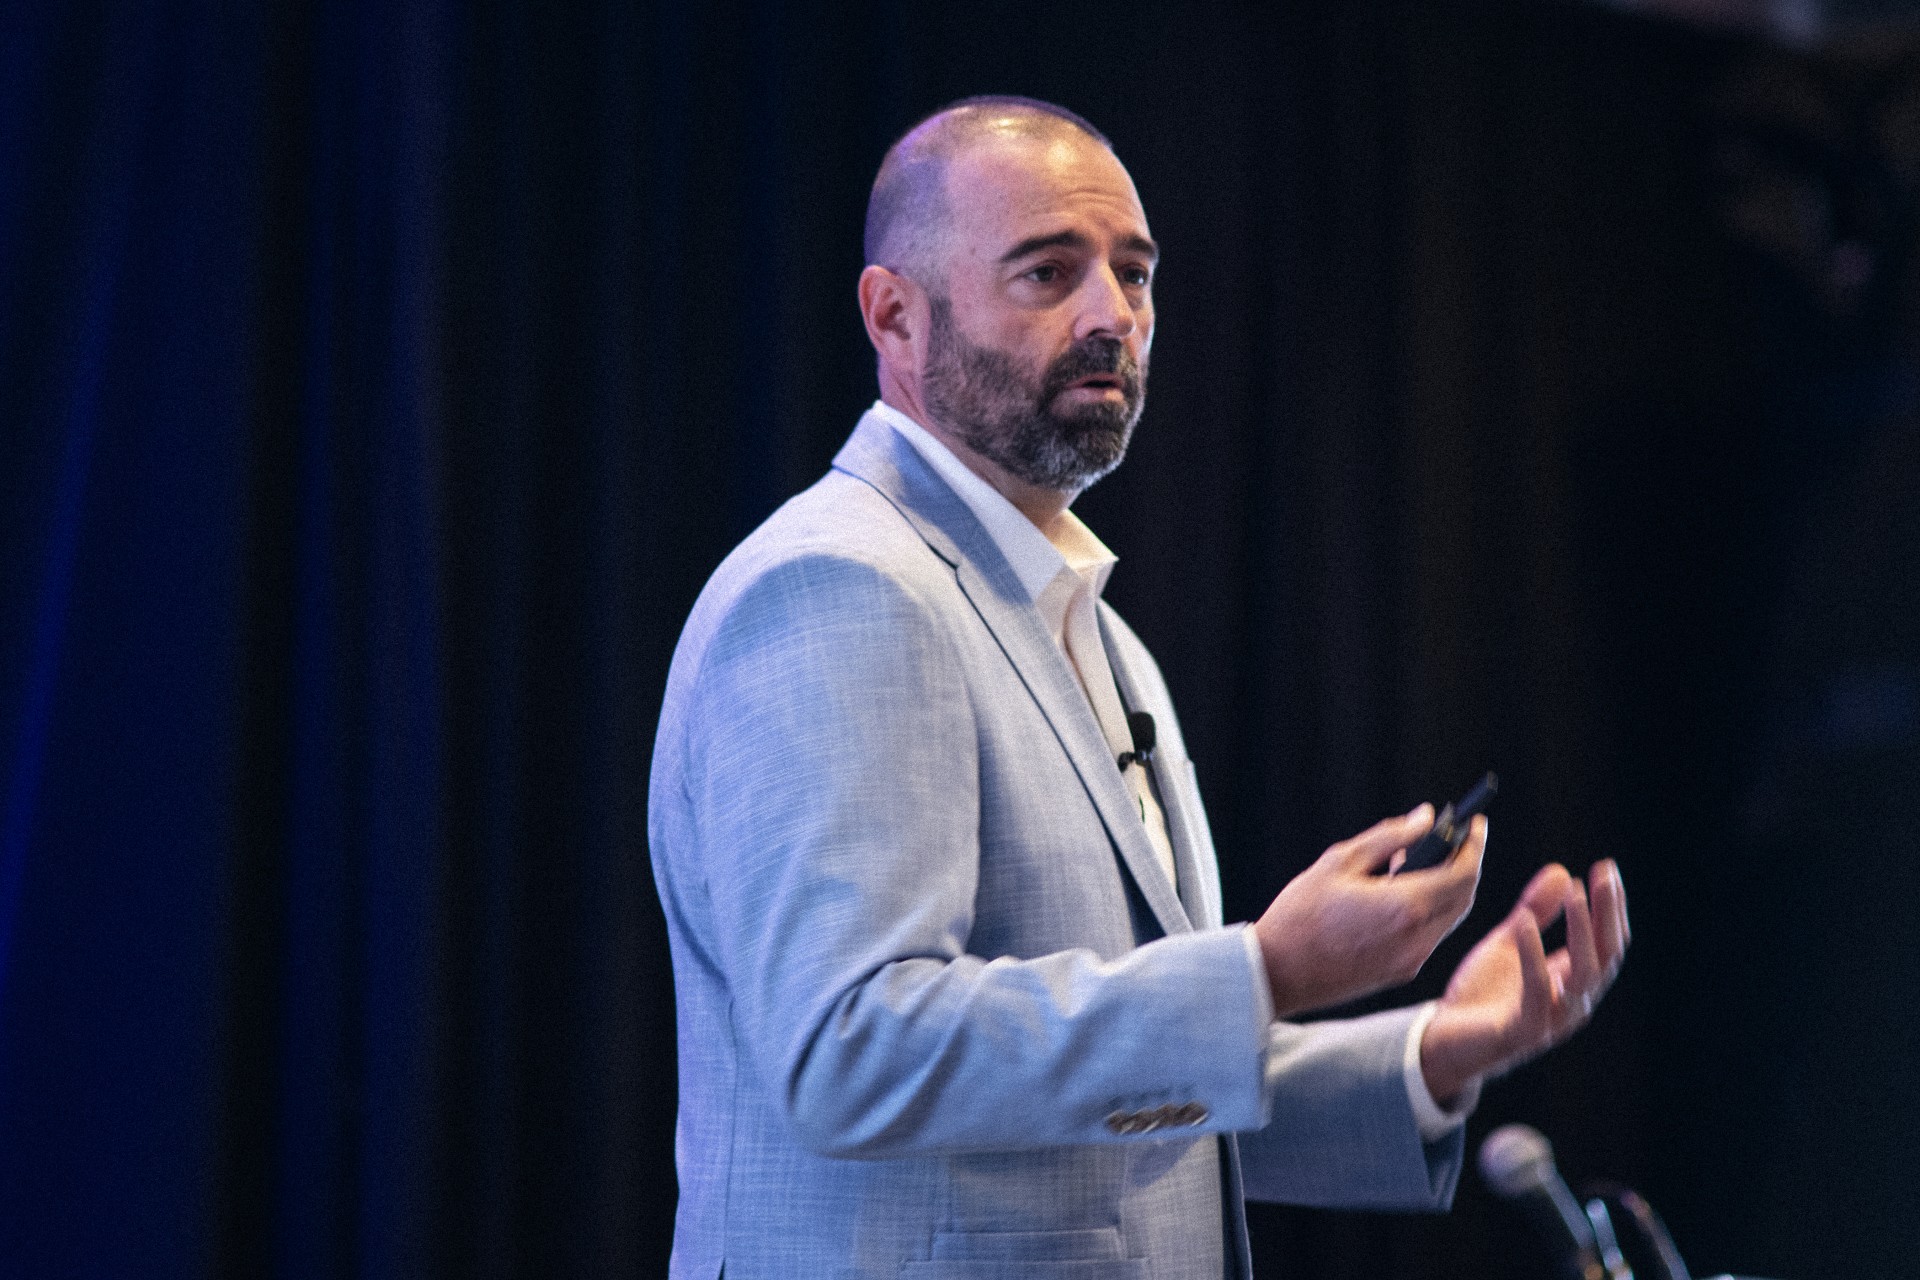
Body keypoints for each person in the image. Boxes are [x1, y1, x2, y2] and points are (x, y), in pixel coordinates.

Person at [647, 96, 1629, 1280]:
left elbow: (1134, 1103)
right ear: (895, 315)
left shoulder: (1094, 630)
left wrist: (1439, 1048)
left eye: (1135, 273)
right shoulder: (840, 586)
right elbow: (854, 1050)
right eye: (1049, 271)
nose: (1115, 315)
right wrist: (1269, 968)